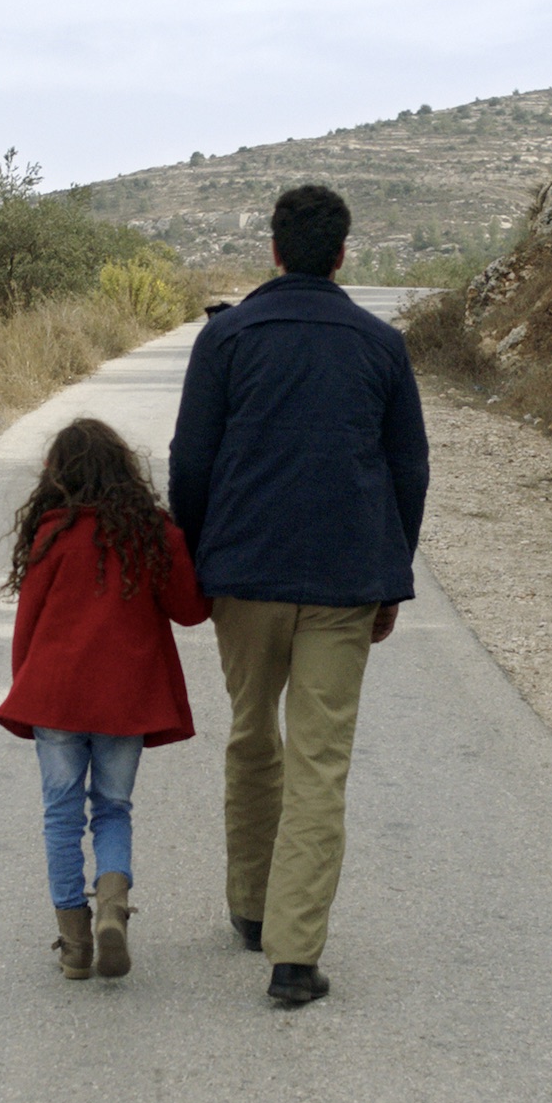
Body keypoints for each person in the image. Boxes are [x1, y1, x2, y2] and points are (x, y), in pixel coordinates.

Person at [168, 183, 429, 1006]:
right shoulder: (381, 345)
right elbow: (409, 470)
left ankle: (251, 909)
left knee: (252, 735)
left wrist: (197, 561)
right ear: (342, 254)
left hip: (244, 575)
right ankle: (294, 956)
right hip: (345, 579)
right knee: (320, 761)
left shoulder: (226, 338)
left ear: (274, 251)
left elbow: (191, 462)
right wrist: (391, 578)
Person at [0, 417, 211, 980]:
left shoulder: (50, 534)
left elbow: (27, 626)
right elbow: (192, 610)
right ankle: (113, 909)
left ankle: (74, 944)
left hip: (55, 699)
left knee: (60, 815)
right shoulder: (151, 533)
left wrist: (27, 691)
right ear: (124, 470)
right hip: (125, 702)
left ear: (58, 475)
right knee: (113, 808)